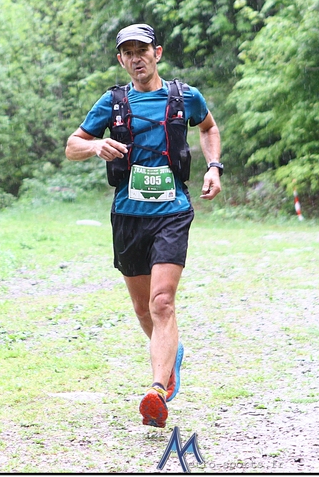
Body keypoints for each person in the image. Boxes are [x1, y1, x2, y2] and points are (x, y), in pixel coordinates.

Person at [65, 23, 222, 428]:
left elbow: (208, 128)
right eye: (129, 52)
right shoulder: (113, 103)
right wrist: (95, 145)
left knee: (161, 302)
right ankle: (171, 354)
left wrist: (214, 167)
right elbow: (72, 146)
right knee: (142, 308)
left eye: (143, 50)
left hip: (172, 212)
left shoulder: (184, 97)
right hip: (128, 215)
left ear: (158, 53)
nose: (137, 58)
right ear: (121, 60)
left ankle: (157, 390)